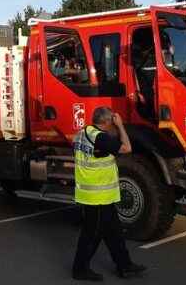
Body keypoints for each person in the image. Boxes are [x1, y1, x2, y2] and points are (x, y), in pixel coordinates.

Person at [72, 107, 146, 281]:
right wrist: (120, 126)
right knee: (92, 234)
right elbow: (127, 148)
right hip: (97, 196)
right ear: (106, 122)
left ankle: (125, 266)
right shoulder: (101, 138)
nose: (113, 124)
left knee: (114, 232)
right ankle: (80, 269)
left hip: (95, 194)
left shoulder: (82, 133)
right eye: (112, 122)